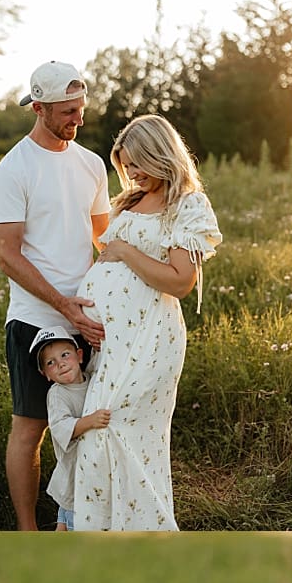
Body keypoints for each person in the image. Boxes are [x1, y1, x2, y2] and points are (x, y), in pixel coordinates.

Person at [70, 114, 221, 530]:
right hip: (109, 345)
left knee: (121, 433)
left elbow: (180, 281)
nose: (132, 173)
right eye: (126, 165)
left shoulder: (187, 204)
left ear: (160, 155)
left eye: (138, 163)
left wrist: (124, 251)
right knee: (97, 439)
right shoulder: (130, 201)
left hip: (150, 340)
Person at [0, 60, 111, 530]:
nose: (78, 119)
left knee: (95, 420)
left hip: (88, 319)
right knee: (31, 429)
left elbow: (104, 241)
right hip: (35, 320)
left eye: (80, 108)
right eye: (67, 112)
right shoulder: (12, 170)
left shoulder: (91, 164)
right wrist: (63, 306)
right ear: (38, 108)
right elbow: (7, 254)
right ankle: (28, 532)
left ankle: (84, 521)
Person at [32, 327, 111, 529]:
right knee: (76, 520)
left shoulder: (92, 379)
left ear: (80, 356)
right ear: (45, 374)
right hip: (75, 477)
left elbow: (102, 358)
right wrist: (90, 421)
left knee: (65, 522)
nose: (60, 364)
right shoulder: (58, 394)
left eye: (65, 354)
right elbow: (61, 427)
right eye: (50, 363)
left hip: (91, 470)